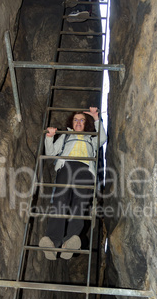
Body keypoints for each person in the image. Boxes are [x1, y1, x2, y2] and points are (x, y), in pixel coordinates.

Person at [39, 107, 107, 260]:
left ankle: (69, 241)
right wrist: (49, 137)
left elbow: (102, 139)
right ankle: (52, 241)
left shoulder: (91, 138)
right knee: (60, 202)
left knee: (80, 204)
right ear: (72, 122)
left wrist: (97, 118)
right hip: (66, 168)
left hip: (85, 169)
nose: (78, 122)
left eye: (82, 120)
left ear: (85, 123)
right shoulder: (66, 136)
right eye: (76, 119)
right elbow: (51, 153)